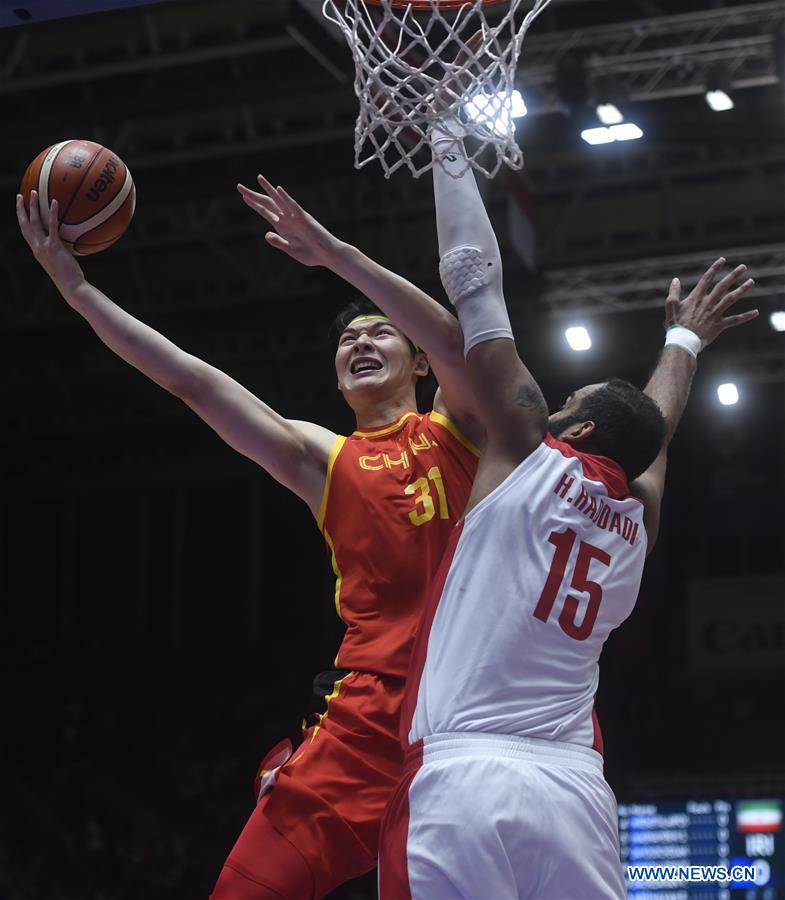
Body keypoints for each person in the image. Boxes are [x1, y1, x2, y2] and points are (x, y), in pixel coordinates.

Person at [15, 185, 483, 899]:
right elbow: (192, 382)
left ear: (418, 365)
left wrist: (334, 256)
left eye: (378, 332)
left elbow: (453, 335)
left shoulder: (461, 426)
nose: (358, 340)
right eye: (346, 338)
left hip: (477, 713)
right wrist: (77, 291)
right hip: (367, 719)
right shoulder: (322, 457)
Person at [377, 119, 759, 899]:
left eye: (567, 401)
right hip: (575, 793)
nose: (551, 402)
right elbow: (651, 435)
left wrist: (446, 138)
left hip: (462, 771)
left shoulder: (524, 453)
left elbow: (474, 281)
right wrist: (682, 345)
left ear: (575, 428)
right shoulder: (635, 526)